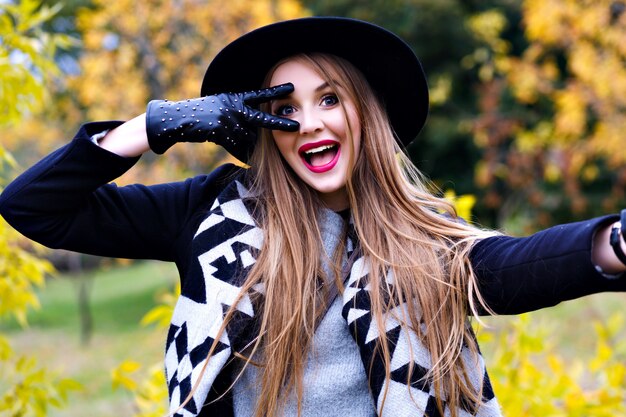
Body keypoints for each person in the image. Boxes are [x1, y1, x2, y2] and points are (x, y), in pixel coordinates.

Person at [0, 16, 624, 417]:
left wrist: (614, 243)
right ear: (264, 127)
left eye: (330, 98)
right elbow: (34, 206)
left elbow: (510, 268)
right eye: (285, 106)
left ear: (364, 116)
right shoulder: (209, 212)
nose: (311, 122)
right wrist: (161, 123)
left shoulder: (420, 239)